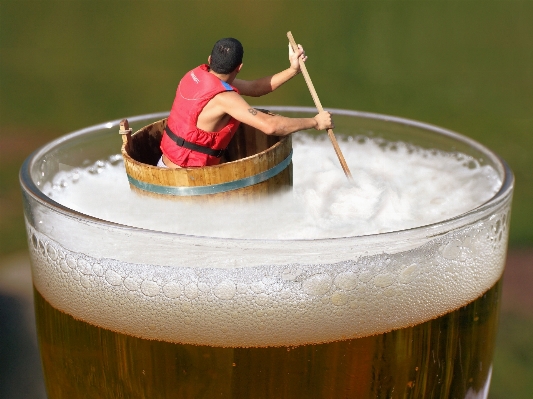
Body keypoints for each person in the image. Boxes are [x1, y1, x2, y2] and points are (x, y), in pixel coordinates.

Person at [159, 38, 334, 168]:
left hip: (163, 167)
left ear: (210, 60)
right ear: (239, 67)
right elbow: (270, 126)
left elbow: (255, 87)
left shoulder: (195, 75)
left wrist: (293, 70)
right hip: (189, 181)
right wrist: (315, 122)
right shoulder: (224, 99)